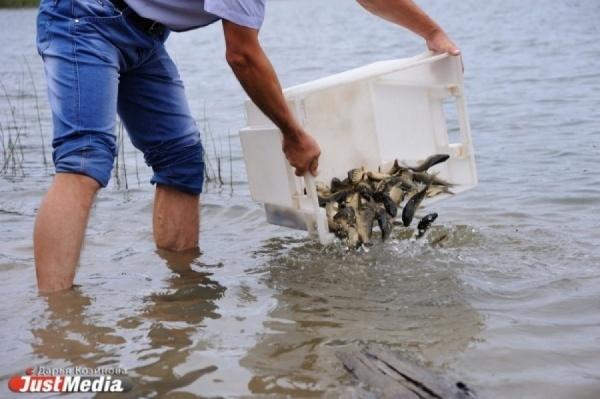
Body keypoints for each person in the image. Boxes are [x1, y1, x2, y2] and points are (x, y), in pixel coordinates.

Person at [34, 0, 460, 293]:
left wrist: (433, 32)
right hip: (84, 16)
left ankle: (183, 288)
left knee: (181, 161)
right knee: (85, 159)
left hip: (144, 33)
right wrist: (294, 135)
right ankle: (56, 315)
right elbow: (241, 54)